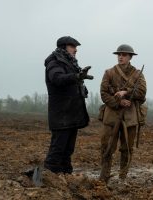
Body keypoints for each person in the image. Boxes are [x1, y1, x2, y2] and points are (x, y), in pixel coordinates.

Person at [44, 36, 93, 174]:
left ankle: (66, 176)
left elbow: (71, 82)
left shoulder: (70, 62)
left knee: (68, 149)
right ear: (63, 47)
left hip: (71, 113)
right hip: (61, 114)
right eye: (73, 46)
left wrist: (81, 87)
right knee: (58, 149)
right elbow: (57, 79)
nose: (76, 50)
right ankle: (49, 178)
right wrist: (76, 77)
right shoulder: (54, 62)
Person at [99, 44, 146, 183]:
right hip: (111, 116)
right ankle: (104, 176)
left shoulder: (138, 74)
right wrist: (118, 103)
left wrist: (127, 92)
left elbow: (142, 93)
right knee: (107, 147)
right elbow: (103, 94)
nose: (121, 57)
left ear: (130, 57)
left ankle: (122, 178)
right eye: (119, 54)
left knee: (127, 149)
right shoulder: (109, 72)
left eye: (124, 55)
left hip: (130, 117)